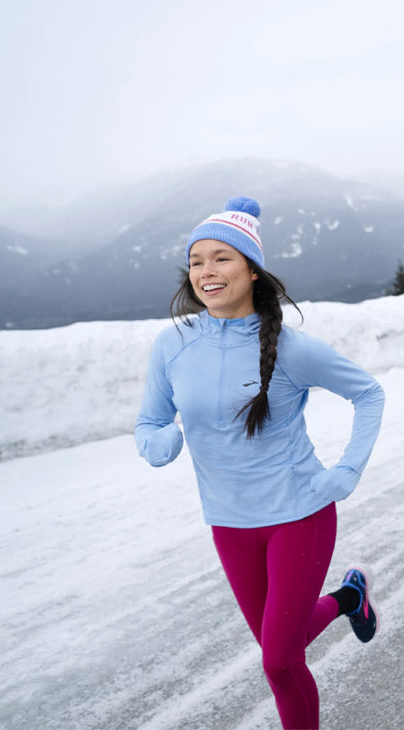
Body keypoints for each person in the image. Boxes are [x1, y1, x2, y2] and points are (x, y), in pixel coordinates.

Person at [135, 197, 386, 729]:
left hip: (300, 513)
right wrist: (156, 443)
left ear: (251, 270)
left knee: (279, 661)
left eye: (222, 258)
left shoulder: (293, 348)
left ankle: (345, 599)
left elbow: (368, 393)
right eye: (198, 259)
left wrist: (347, 469)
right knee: (285, 644)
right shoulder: (171, 344)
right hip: (229, 523)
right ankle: (348, 598)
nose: (207, 271)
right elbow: (150, 421)